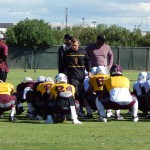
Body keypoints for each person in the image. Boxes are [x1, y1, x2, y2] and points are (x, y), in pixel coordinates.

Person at [86, 33, 114, 117]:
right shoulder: (90, 47)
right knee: (94, 88)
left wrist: (109, 66)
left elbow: (111, 55)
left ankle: (108, 110)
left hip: (104, 69)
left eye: (104, 41)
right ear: (97, 40)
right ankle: (95, 106)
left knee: (107, 88)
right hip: (94, 69)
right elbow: (85, 55)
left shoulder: (106, 47)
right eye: (101, 41)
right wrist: (89, 68)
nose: (102, 43)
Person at [63, 37, 91, 116]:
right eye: (72, 45)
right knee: (74, 93)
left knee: (81, 93)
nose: (74, 47)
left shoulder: (83, 52)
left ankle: (80, 110)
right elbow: (64, 64)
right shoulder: (67, 53)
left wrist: (89, 72)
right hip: (72, 76)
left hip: (81, 76)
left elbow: (88, 62)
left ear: (78, 44)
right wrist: (65, 74)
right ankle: (75, 110)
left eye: (75, 45)